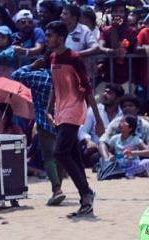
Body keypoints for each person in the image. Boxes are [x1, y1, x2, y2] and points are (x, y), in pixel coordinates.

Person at [45, 20, 103, 218]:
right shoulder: (52, 57)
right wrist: (48, 109)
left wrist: (98, 119)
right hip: (60, 111)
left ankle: (86, 193)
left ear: (61, 38)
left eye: (50, 35)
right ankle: (86, 200)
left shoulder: (74, 58)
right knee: (73, 154)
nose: (47, 39)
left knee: (60, 153)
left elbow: (87, 89)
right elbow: (55, 85)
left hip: (75, 109)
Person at [12, 58, 63, 205]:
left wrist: (32, 65)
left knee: (49, 157)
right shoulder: (65, 78)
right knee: (61, 156)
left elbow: (16, 75)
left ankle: (57, 189)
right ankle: (60, 188)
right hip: (65, 120)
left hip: (45, 121)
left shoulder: (39, 76)